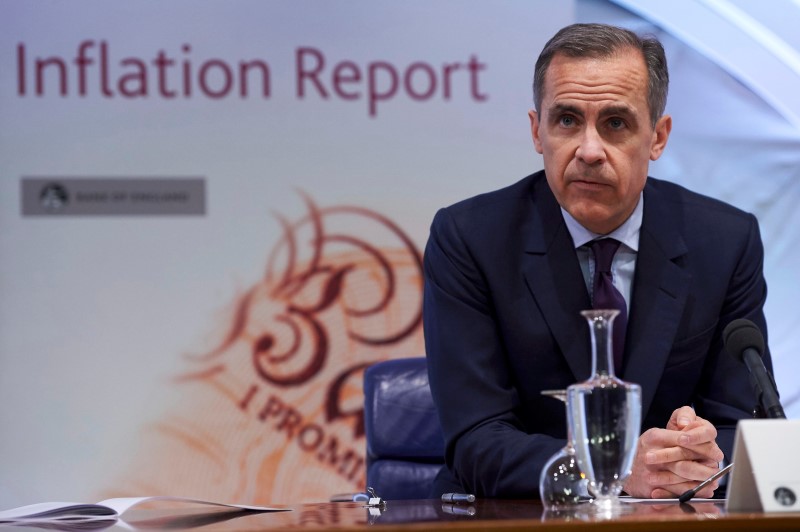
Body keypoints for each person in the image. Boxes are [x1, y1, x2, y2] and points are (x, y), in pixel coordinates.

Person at [423, 23, 773, 499]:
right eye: (567, 120)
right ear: (536, 131)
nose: (589, 151)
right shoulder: (471, 239)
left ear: (658, 136)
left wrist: (700, 454)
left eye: (615, 123)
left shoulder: (724, 241)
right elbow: (476, 440)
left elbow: (750, 429)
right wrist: (614, 472)